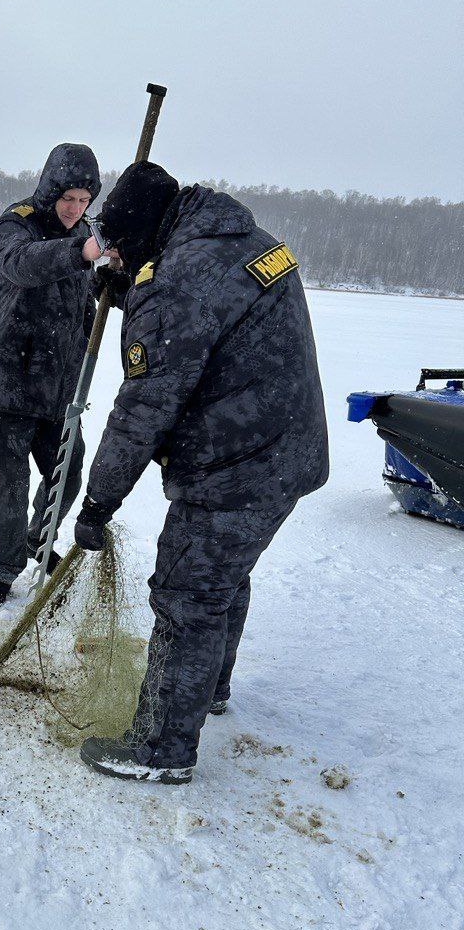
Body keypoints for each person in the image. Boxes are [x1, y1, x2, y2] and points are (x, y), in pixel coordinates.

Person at [74, 162, 329, 783]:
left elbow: (142, 411)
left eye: (123, 250)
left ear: (140, 235)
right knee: (223, 578)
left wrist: (97, 504)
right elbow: (209, 317)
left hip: (233, 465)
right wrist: (136, 286)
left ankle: (162, 748)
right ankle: (208, 688)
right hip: (285, 450)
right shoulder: (242, 238)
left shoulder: (178, 283)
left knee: (190, 594)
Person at [0, 142, 115, 605]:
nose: (76, 209)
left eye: (84, 200)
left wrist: (110, 276)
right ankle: (2, 570)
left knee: (68, 476)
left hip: (58, 393)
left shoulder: (85, 237)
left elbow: (79, 297)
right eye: (67, 199)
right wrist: (84, 251)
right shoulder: (15, 226)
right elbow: (25, 265)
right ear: (50, 191)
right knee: (9, 490)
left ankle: (39, 541)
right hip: (6, 388)